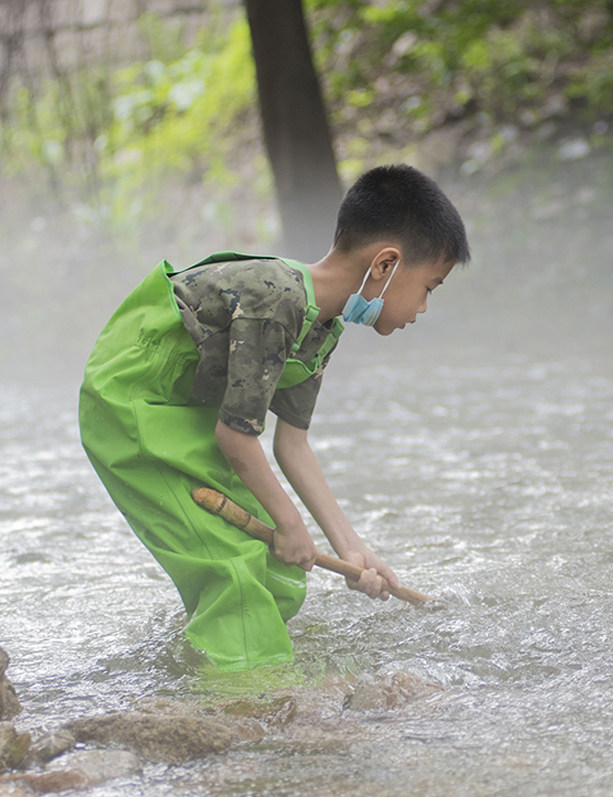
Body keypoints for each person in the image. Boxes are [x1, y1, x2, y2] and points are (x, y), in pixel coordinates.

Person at [79, 164, 471, 671]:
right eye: (429, 287)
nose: (422, 307)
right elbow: (236, 438)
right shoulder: (276, 301)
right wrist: (289, 523)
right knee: (232, 573)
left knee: (275, 571)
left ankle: (207, 662)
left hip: (187, 407)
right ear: (385, 265)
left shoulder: (324, 325)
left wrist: (352, 549)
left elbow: (293, 446)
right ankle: (246, 708)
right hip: (131, 402)